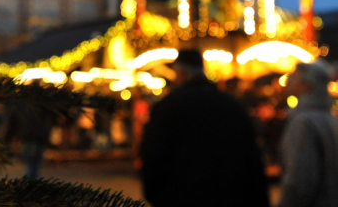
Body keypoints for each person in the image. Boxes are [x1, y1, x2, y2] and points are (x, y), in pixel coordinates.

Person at [140, 49, 269, 207]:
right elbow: (251, 159)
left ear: (181, 72)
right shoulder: (231, 106)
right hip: (227, 196)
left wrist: (157, 195)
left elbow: (154, 154)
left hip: (180, 197)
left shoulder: (167, 107)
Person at [278, 62, 338, 207]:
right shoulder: (330, 119)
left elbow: (300, 182)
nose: (289, 80)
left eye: (294, 76)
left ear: (308, 84)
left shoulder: (303, 123)